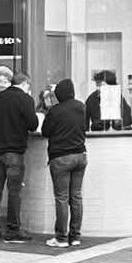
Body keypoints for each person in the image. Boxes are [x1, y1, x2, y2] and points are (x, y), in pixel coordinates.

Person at [0, 69, 38, 240]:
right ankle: (13, 230)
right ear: (25, 84)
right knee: (14, 191)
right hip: (14, 152)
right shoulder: (25, 99)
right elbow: (33, 124)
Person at [40, 76, 88, 248]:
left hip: (61, 158)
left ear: (59, 94)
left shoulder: (55, 111)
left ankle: (61, 238)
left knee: (61, 198)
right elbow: (86, 127)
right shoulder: (82, 107)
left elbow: (45, 131)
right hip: (80, 156)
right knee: (76, 197)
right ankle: (75, 236)